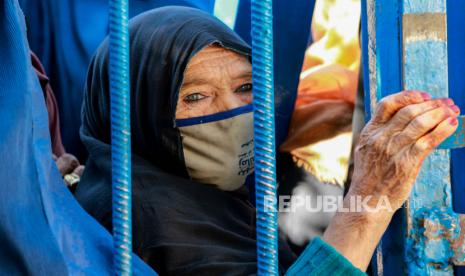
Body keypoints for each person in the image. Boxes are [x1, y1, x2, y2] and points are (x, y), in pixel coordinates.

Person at [75, 7, 460, 275]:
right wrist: (369, 204)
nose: (231, 111)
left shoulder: (207, 200)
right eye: (195, 96)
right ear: (136, 108)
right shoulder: (142, 219)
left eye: (245, 87)